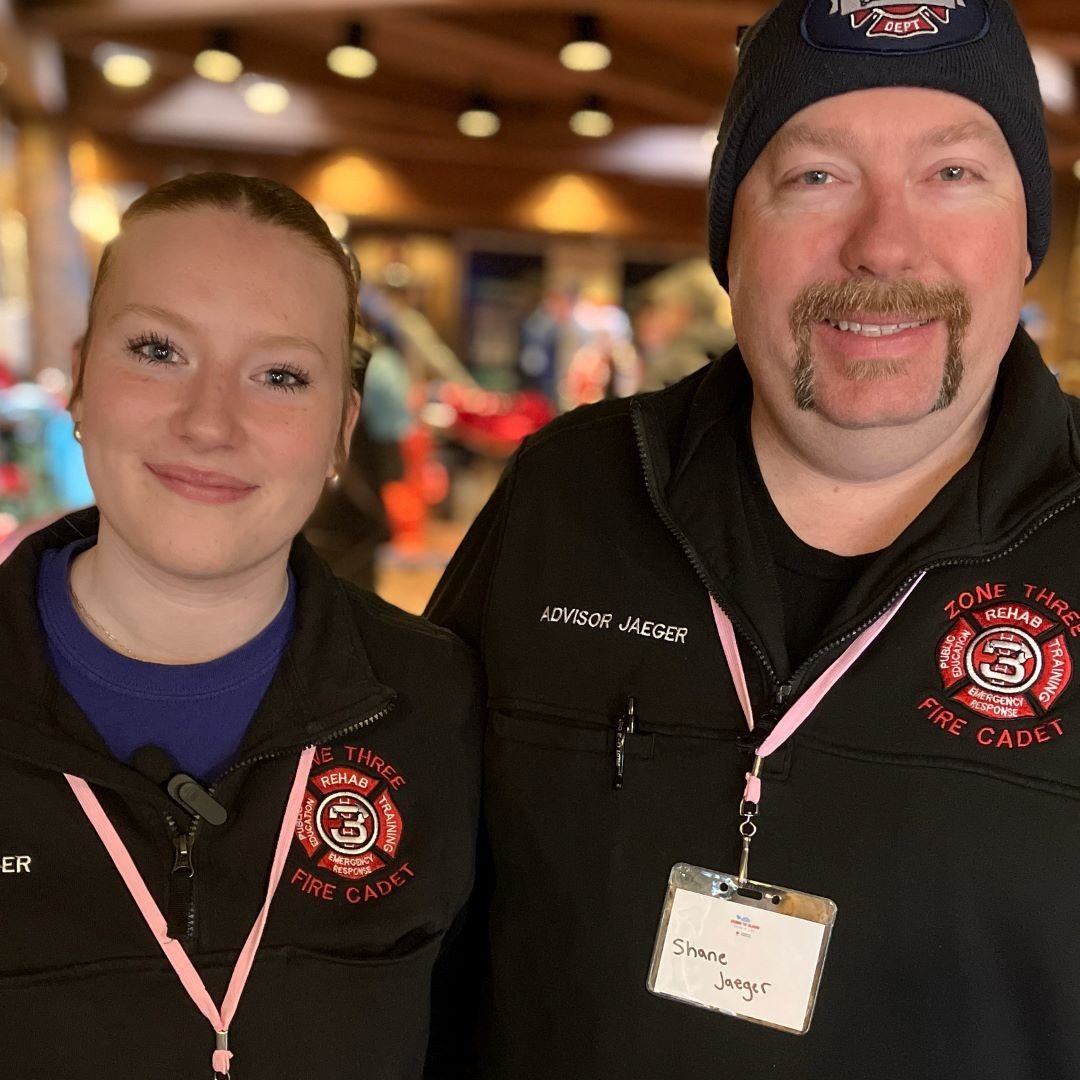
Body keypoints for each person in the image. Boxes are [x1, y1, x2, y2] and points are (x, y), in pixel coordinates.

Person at [427, 2, 1079, 1077]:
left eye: (952, 174)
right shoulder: (569, 496)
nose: (883, 245)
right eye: (816, 176)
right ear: (734, 232)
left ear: (1028, 236)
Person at [0, 173, 482, 1079]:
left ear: (341, 431)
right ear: (80, 380)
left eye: (280, 375)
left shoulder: (440, 704)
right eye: (157, 349)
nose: (210, 422)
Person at [635, 259, 734, 391]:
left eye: (655, 307)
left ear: (684, 313)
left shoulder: (674, 366)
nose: (643, 319)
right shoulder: (725, 359)